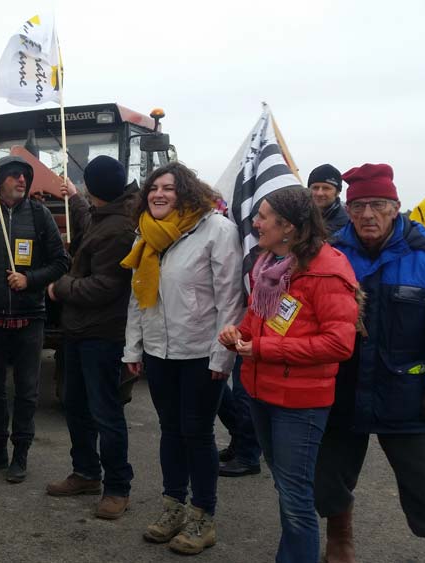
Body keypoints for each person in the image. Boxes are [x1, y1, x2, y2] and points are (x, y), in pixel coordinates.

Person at [219, 186, 359, 562]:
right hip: (262, 392)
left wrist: (264, 348)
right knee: (286, 485)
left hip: (301, 402)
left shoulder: (327, 272)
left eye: (263, 216)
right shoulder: (270, 266)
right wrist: (238, 335)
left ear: (289, 227)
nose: (255, 222)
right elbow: (258, 319)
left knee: (296, 495)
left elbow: (338, 345)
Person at [120, 162, 243, 555]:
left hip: (200, 352)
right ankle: (173, 507)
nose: (158, 193)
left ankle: (203, 517)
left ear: (186, 192)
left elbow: (229, 300)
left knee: (197, 432)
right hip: (158, 352)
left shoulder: (217, 230)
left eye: (168, 188)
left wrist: (220, 359)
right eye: (153, 187)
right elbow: (140, 296)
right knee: (170, 431)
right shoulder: (146, 232)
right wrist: (133, 347)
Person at [315, 163, 425, 562]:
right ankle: (339, 539)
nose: (367, 215)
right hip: (341, 392)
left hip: (409, 396)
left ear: (396, 208)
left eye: (378, 205)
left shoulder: (423, 254)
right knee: (328, 480)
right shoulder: (327, 253)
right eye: (358, 205)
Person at [0, 155, 69, 483]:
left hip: (30, 319)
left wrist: (30, 280)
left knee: (26, 391)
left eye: (25, 176)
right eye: (14, 175)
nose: (21, 180)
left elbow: (61, 261)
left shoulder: (40, 216)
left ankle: (20, 455)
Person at [44, 156, 137, 519]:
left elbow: (106, 285)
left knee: (105, 411)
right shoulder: (105, 215)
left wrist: (60, 287)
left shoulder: (118, 229)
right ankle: (85, 472)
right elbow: (88, 221)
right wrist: (76, 199)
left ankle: (117, 487)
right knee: (76, 403)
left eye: (86, 186)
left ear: (94, 188)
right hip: (80, 330)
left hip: (102, 333)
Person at [307, 164, 349, 236]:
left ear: (337, 193)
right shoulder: (297, 216)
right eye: (315, 188)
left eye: (326, 188)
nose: (319, 193)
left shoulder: (346, 226)